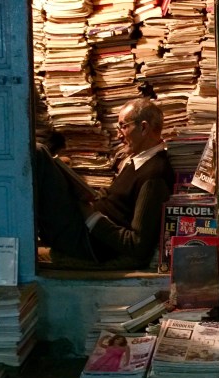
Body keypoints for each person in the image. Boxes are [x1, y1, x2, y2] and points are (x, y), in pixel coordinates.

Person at [33, 97, 173, 268]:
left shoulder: (153, 175)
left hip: (89, 242)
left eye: (123, 126)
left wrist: (91, 216)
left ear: (143, 127)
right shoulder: (136, 162)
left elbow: (137, 245)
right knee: (50, 163)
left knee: (39, 154)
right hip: (83, 227)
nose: (118, 135)